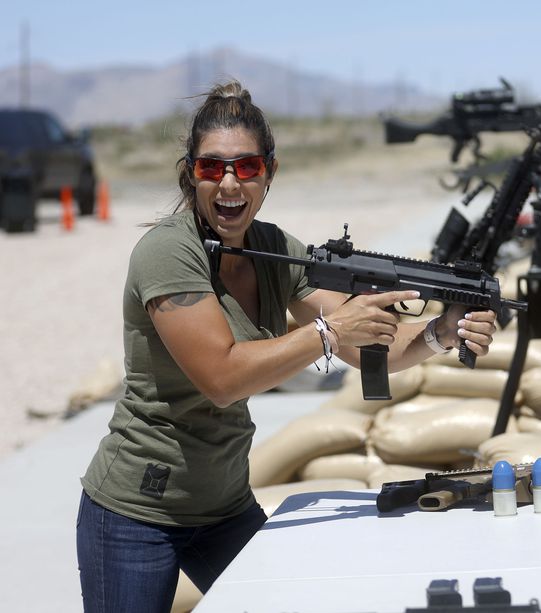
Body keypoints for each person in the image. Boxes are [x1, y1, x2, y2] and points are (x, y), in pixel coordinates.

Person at [76, 80, 497, 613]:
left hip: (225, 507)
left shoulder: (275, 248)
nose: (229, 183)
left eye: (246, 167)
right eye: (212, 167)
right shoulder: (166, 252)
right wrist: (326, 333)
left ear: (269, 173)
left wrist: (441, 332)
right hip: (136, 514)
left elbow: (367, 346)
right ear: (191, 174)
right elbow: (223, 379)